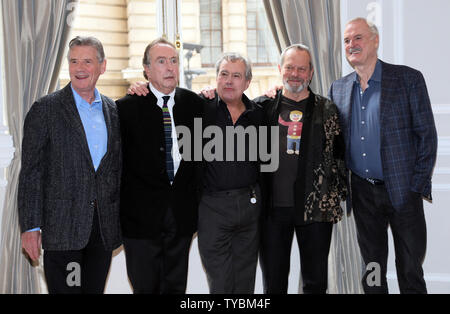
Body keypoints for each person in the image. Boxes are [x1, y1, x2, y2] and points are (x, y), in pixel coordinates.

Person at [127, 53, 264, 294]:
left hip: (249, 206)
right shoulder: (200, 108)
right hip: (212, 208)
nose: (229, 81)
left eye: (236, 76)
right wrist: (142, 87)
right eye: (224, 74)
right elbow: (164, 100)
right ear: (216, 78)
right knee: (220, 283)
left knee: (245, 282)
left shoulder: (259, 114)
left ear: (247, 82)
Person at [328, 18, 438, 294]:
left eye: (358, 38)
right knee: (372, 269)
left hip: (403, 192)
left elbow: (427, 137)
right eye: (346, 40)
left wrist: (416, 188)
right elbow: (334, 142)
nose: (351, 44)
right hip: (363, 193)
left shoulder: (408, 79)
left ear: (375, 41)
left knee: (410, 269)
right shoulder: (338, 89)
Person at [18, 36, 122, 294]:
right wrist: (31, 227)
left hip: (102, 231)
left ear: (102, 66)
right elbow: (31, 172)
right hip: (63, 232)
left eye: (87, 61)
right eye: (74, 61)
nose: (79, 68)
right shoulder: (46, 109)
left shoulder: (114, 110)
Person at [254, 44, 347, 294]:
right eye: (290, 67)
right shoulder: (261, 107)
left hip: (316, 212)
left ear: (311, 72)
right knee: (273, 284)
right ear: (279, 69)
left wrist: (337, 196)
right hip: (272, 212)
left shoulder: (328, 109)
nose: (295, 73)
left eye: (302, 68)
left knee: (315, 284)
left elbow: (340, 155)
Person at [116, 38, 202, 294]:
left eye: (173, 61)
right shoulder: (124, 108)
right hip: (140, 221)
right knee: (145, 288)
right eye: (161, 61)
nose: (169, 67)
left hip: (182, 217)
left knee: (176, 288)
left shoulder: (195, 104)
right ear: (147, 69)